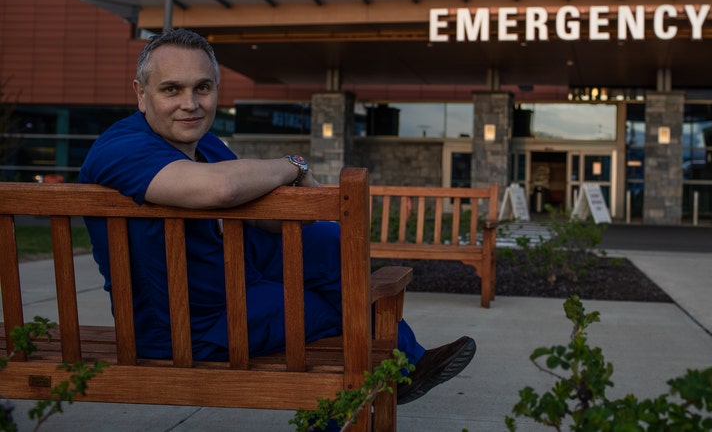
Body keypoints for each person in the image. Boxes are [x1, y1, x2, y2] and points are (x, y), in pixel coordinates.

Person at [78, 28, 475, 405]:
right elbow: (223, 189)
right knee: (341, 318)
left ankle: (409, 363)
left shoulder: (208, 144)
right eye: (171, 90)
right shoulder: (121, 148)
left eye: (202, 87)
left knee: (328, 245)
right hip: (184, 330)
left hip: (234, 294)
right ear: (141, 95)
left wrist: (300, 213)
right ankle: (399, 371)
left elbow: (252, 213)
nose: (191, 103)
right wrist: (294, 165)